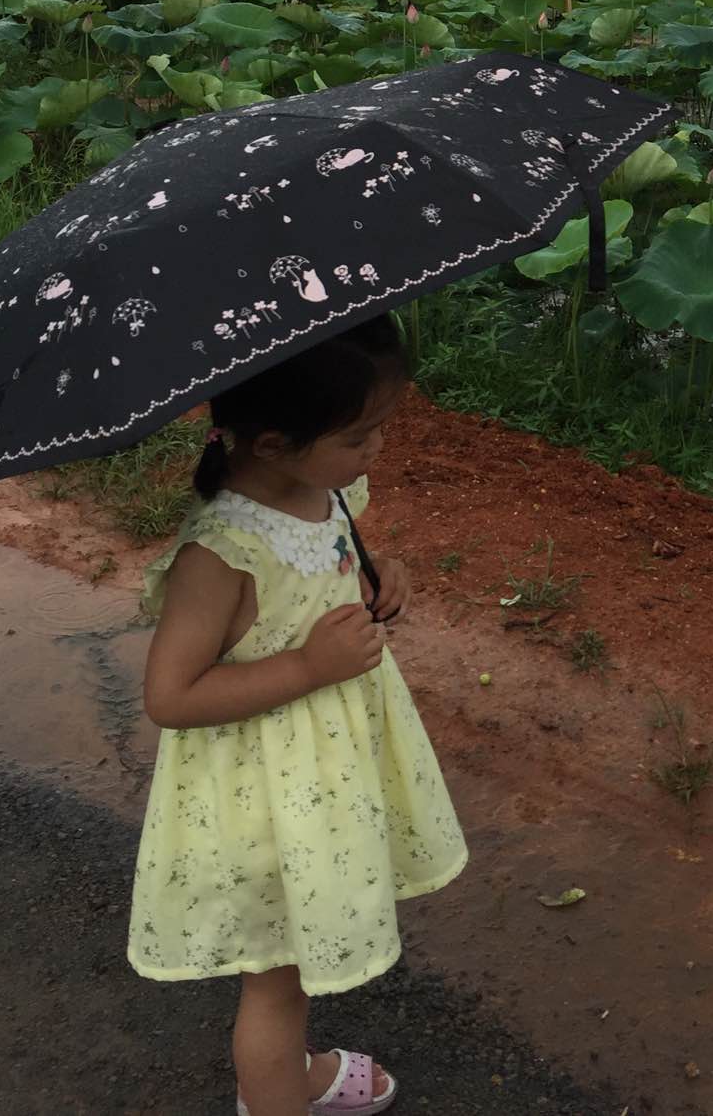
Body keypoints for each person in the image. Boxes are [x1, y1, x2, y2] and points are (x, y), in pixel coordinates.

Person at [128, 315, 468, 1116]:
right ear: (274, 442)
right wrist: (307, 666)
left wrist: (381, 580)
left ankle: (290, 1076)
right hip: (265, 804)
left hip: (321, 782)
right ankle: (275, 1090)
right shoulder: (219, 554)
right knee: (276, 982)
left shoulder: (322, 489)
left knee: (292, 965)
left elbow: (328, 568)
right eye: (359, 435)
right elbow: (169, 694)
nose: (378, 447)